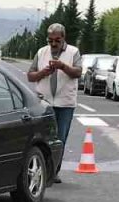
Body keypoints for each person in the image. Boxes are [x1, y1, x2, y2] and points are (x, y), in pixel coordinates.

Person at [27, 24, 82, 183]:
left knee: (60, 138)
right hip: (44, 102)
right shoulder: (41, 52)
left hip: (65, 103)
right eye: (50, 40)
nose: (53, 44)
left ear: (63, 38)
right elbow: (31, 76)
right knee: (42, 138)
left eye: (57, 40)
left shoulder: (73, 52)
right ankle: (45, 169)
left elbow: (78, 72)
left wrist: (63, 67)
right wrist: (44, 72)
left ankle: (54, 171)